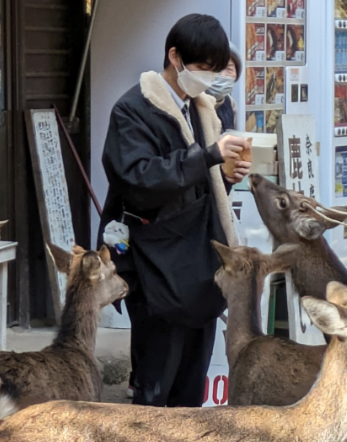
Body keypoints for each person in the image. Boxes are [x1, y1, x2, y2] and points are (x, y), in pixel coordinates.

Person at [97, 14, 252, 407]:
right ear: (175, 57)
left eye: (215, 70)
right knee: (156, 374)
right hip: (155, 256)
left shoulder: (206, 110)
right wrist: (209, 157)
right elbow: (139, 178)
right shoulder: (132, 108)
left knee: (191, 379)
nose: (208, 79)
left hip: (199, 254)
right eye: (202, 68)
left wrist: (228, 173)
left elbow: (204, 180)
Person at [207, 42, 242, 132]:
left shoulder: (230, 103)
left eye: (229, 69)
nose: (222, 75)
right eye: (217, 68)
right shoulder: (192, 102)